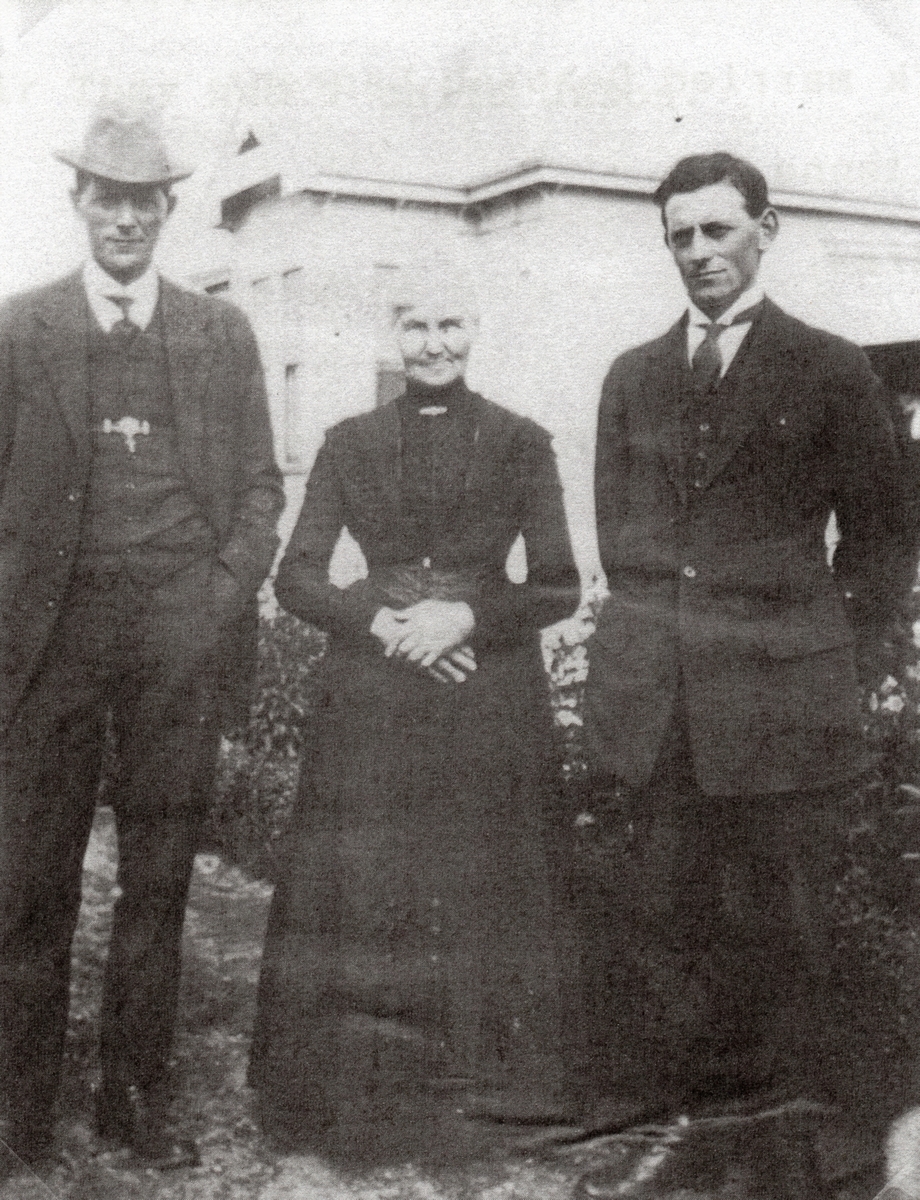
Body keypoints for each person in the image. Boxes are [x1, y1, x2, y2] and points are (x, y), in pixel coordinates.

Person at [579, 152, 914, 1193]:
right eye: (679, 236)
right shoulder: (633, 374)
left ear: (763, 230)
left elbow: (881, 541)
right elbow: (623, 540)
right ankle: (698, 1139)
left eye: (716, 231)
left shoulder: (827, 367)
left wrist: (833, 673)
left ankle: (798, 1159)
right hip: (664, 711)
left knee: (784, 936)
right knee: (669, 929)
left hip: (782, 714)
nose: (697, 254)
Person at [0, 110, 283, 1173]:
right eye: (106, 197)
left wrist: (214, 596)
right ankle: (19, 1109)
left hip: (179, 640)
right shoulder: (19, 329)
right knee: (29, 884)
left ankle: (134, 1098)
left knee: (159, 883)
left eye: (143, 198)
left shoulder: (222, 335)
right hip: (50, 647)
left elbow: (260, 486)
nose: (125, 216)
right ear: (79, 203)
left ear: (169, 208)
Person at [248, 277, 580, 1162]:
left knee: (482, 881)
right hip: (377, 697)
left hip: (488, 697)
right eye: (416, 325)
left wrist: (465, 617)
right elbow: (299, 575)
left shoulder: (521, 442)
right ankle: (367, 1098)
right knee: (371, 880)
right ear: (392, 333)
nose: (434, 343)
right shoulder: (349, 443)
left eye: (451, 323)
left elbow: (556, 583)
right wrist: (384, 621)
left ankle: (488, 1093)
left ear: (475, 328)